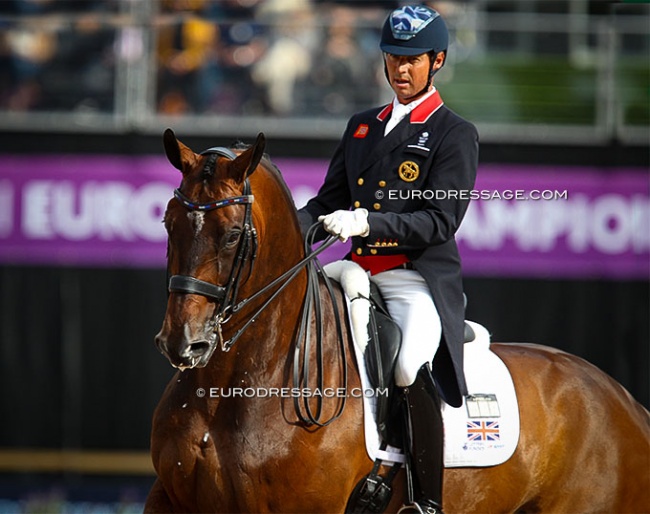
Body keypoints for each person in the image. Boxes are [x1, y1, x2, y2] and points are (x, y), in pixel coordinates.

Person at [297, 4, 478, 513]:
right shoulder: (361, 127)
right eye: (394, 58)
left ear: (436, 60)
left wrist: (368, 223)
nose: (402, 69)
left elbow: (440, 222)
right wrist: (285, 224)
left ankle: (427, 501)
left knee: (405, 365)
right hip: (352, 272)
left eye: (414, 60)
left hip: (410, 277)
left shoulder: (453, 133)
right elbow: (324, 203)